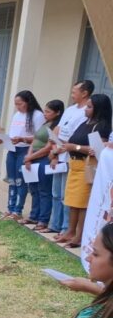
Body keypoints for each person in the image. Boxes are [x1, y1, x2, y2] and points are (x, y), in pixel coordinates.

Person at [54, 93, 112, 248]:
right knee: (72, 201)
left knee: (82, 204)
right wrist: (65, 146)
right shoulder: (85, 122)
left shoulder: (102, 126)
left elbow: (98, 149)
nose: (86, 109)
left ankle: (79, 235)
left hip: (86, 167)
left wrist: (75, 147)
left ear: (98, 109)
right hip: (74, 165)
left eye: (90, 106)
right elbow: (74, 140)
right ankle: (70, 231)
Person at [49, 80, 93, 237]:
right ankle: (54, 224)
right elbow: (58, 130)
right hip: (59, 153)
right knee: (55, 193)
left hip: (72, 157)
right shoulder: (70, 109)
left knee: (66, 196)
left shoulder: (85, 114)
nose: (72, 94)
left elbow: (78, 138)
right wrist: (54, 152)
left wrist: (66, 147)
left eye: (75, 91)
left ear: (85, 93)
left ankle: (66, 228)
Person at [0, 91, 46, 221]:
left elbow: (40, 137)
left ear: (28, 102)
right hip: (12, 150)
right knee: (12, 180)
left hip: (25, 150)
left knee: (21, 182)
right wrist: (4, 139)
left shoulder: (37, 115)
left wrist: (23, 139)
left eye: (19, 104)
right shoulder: (17, 115)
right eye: (15, 104)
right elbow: (12, 132)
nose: (17, 107)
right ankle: (10, 208)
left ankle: (17, 210)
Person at [22, 100, 64, 232]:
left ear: (57, 113)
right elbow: (34, 140)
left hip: (43, 159)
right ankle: (33, 215)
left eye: (48, 111)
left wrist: (31, 157)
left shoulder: (56, 127)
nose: (45, 113)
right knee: (33, 189)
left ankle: (43, 219)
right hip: (33, 158)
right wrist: (28, 157)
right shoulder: (45, 123)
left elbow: (48, 148)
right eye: (45, 110)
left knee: (44, 191)